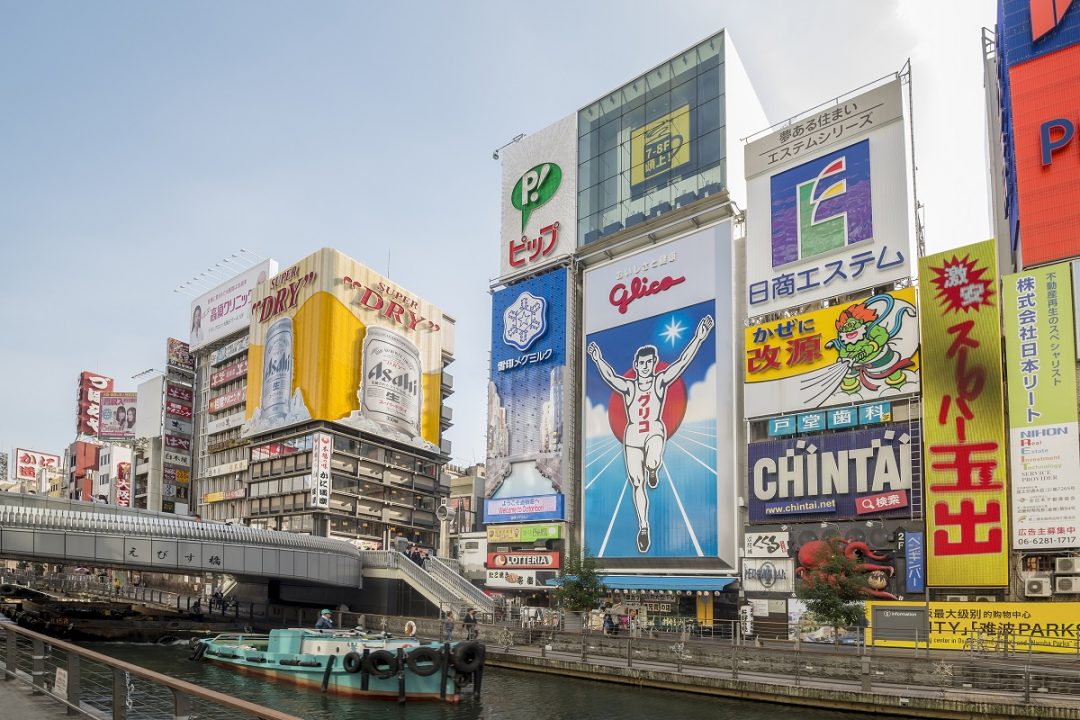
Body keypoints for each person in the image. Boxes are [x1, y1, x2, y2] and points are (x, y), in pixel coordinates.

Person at [586, 314, 714, 553]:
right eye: (641, 363)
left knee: (653, 460)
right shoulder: (629, 386)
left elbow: (682, 362)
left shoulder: (659, 381)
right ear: (636, 365)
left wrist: (699, 336)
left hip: (654, 428)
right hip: (633, 435)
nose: (645, 367)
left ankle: (653, 468)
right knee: (637, 482)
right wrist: (597, 357)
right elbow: (610, 376)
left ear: (654, 363)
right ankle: (643, 527)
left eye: (649, 363)